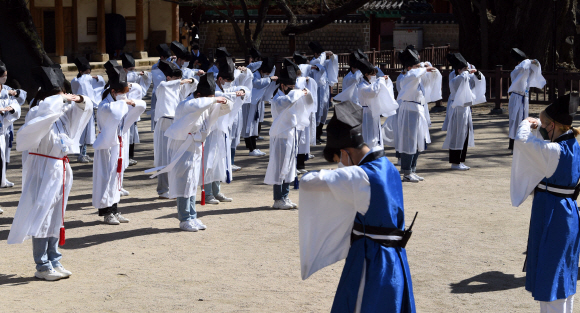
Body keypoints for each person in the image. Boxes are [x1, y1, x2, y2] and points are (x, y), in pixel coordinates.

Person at [299, 100, 416, 312]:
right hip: (395, 259)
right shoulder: (387, 165)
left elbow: (306, 182)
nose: (340, 165)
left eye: (338, 159)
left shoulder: (359, 175)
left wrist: (340, 174)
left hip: (371, 260)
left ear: (345, 153)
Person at [7, 66, 94, 281]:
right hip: (43, 169)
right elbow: (47, 109)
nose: (64, 98)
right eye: (59, 94)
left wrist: (78, 97)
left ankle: (54, 258)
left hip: (60, 168)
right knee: (42, 216)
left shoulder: (63, 115)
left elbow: (86, 108)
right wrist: (60, 98)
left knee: (56, 217)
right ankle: (42, 264)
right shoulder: (38, 112)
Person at [511, 93, 580, 313]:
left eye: (543, 124)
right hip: (567, 211)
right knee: (563, 273)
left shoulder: (553, 151)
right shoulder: (572, 144)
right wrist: (540, 124)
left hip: (554, 214)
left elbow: (523, 142)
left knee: (552, 274)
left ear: (552, 126)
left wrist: (525, 123)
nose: (540, 128)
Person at [146, 72, 232, 231]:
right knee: (184, 181)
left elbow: (227, 108)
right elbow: (198, 105)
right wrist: (213, 99)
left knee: (193, 182)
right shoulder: (186, 104)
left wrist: (223, 100)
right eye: (207, 98)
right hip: (183, 147)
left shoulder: (205, 102)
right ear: (199, 94)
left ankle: (192, 215)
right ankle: (184, 218)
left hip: (196, 146)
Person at [93, 61, 146, 225]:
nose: (126, 96)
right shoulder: (105, 105)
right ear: (113, 91)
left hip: (119, 144)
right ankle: (106, 212)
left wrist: (131, 100)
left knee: (117, 178)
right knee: (106, 177)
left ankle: (115, 209)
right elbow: (115, 113)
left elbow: (140, 100)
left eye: (126, 93)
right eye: (122, 93)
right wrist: (124, 102)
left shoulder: (118, 101)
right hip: (107, 145)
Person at [264, 59, 314, 209]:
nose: (292, 89)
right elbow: (288, 101)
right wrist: (299, 92)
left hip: (291, 135)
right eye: (290, 87)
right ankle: (278, 198)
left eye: (294, 87)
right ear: (282, 85)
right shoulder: (278, 99)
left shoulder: (292, 95)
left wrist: (305, 93)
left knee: (290, 166)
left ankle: (285, 196)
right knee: (280, 167)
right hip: (281, 136)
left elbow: (307, 103)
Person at [202, 57, 248, 204]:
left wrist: (241, 91)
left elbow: (242, 90)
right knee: (209, 161)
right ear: (220, 79)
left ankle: (217, 191)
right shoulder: (211, 89)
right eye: (227, 81)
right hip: (210, 131)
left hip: (222, 131)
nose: (229, 84)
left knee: (220, 161)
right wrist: (232, 95)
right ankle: (207, 193)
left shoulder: (227, 88)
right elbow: (215, 97)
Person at [154, 60, 199, 199]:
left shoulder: (179, 88)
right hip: (164, 122)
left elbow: (194, 84)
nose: (179, 81)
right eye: (176, 78)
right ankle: (162, 189)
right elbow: (168, 84)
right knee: (163, 156)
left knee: (175, 155)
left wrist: (190, 79)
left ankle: (173, 187)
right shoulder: (162, 86)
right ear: (168, 77)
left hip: (176, 123)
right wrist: (183, 81)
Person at [395, 48, 440, 182]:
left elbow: (431, 79)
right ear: (409, 67)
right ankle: (407, 171)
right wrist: (422, 68)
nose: (419, 68)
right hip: (409, 110)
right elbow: (414, 75)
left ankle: (413, 169)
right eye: (415, 66)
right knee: (409, 141)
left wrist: (429, 69)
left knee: (419, 140)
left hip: (418, 110)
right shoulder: (407, 77)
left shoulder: (418, 77)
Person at [442, 53, 486, 170]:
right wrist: (467, 72)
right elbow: (460, 81)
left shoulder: (464, 75)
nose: (467, 71)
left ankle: (461, 160)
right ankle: (455, 162)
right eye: (464, 69)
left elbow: (478, 81)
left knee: (465, 134)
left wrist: (476, 73)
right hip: (457, 109)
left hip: (465, 108)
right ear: (458, 69)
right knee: (457, 134)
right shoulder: (454, 77)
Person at [507, 48, 546, 150]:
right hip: (516, 97)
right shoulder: (517, 70)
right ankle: (512, 144)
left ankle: (522, 142)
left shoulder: (527, 70)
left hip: (524, 97)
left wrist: (534, 62)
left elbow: (536, 69)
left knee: (524, 120)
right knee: (515, 120)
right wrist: (528, 61)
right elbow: (524, 66)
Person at [355, 58, 398, 149]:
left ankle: (376, 149)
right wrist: (380, 80)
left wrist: (385, 81)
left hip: (373, 112)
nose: (375, 76)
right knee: (368, 134)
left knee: (375, 133)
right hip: (366, 113)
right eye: (373, 74)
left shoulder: (371, 83)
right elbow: (373, 91)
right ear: (366, 74)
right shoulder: (362, 86)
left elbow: (379, 89)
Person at [71, 57, 104, 164]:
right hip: (82, 108)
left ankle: (84, 153)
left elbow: (99, 84)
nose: (88, 74)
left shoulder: (85, 79)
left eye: (89, 72)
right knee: (81, 131)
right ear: (81, 72)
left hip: (88, 108)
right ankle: (80, 154)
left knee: (87, 132)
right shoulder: (79, 80)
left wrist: (98, 78)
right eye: (86, 72)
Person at [121, 53, 152, 166]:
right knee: (125, 134)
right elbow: (128, 77)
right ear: (124, 69)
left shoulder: (135, 77)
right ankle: (124, 156)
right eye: (130, 69)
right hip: (124, 108)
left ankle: (130, 156)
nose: (133, 72)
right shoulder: (122, 77)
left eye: (134, 69)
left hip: (134, 107)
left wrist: (144, 75)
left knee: (132, 135)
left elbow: (147, 80)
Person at [0, 60, 26, 190]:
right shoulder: (4, 91)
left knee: (5, 153)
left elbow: (21, 98)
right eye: (3, 75)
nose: (5, 77)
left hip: (6, 126)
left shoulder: (7, 88)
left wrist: (16, 94)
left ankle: (3, 178)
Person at [244, 57, 277, 156]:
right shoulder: (254, 75)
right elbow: (256, 84)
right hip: (250, 103)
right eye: (266, 74)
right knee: (248, 126)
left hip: (256, 103)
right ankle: (251, 149)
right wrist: (269, 79)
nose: (267, 76)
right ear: (262, 70)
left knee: (254, 125)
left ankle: (254, 147)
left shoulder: (261, 74)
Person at [308, 41, 338, 144]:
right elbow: (319, 63)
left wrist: (332, 55)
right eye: (320, 54)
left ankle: (319, 134)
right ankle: (314, 136)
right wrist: (323, 54)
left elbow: (332, 63)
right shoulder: (313, 63)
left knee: (324, 112)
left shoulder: (323, 62)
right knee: (317, 112)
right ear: (316, 54)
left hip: (324, 90)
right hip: (316, 91)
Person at [150, 43, 173, 131]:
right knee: (157, 115)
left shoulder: (172, 65)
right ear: (162, 58)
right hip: (158, 93)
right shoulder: (155, 67)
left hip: (168, 95)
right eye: (166, 58)